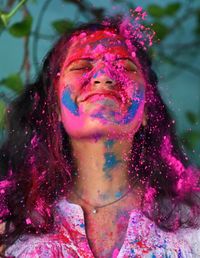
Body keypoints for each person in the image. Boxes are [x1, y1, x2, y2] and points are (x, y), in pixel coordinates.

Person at [0, 12, 200, 258]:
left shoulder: (192, 224)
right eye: (82, 66)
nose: (104, 76)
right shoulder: (11, 227)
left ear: (147, 109)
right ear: (55, 109)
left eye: (124, 67)